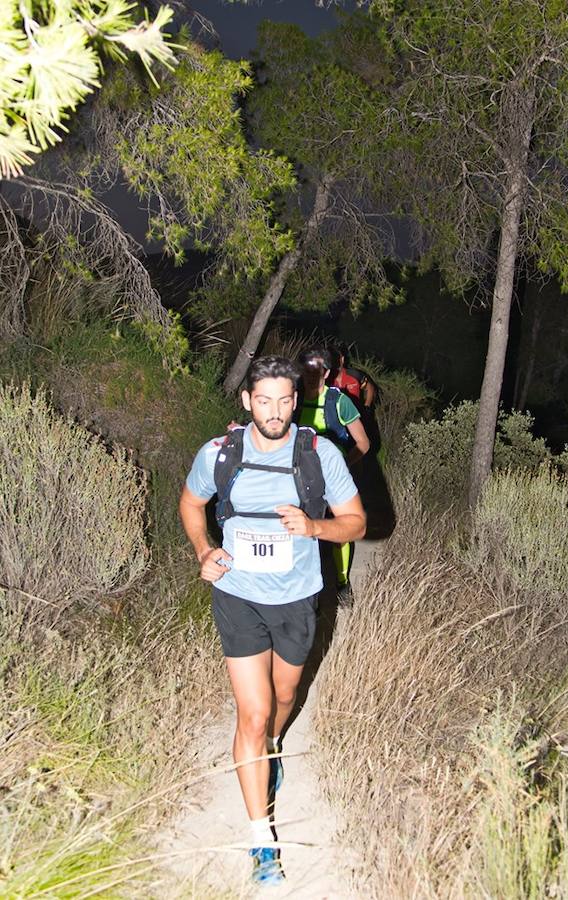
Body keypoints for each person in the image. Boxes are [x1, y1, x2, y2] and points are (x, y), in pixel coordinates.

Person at [179, 356, 366, 886]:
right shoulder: (220, 454)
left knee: (283, 700)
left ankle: (274, 745)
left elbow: (356, 524)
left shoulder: (318, 454)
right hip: (238, 595)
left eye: (285, 400)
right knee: (253, 715)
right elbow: (192, 504)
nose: (275, 411)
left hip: (296, 599)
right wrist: (203, 551)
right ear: (247, 402)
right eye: (264, 400)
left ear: (296, 401)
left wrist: (313, 526)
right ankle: (262, 842)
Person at [296, 346, 370, 595]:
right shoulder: (291, 399)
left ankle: (341, 583)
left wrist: (340, 468)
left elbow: (363, 443)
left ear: (327, 373)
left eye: (317, 369)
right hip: (298, 475)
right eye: (307, 368)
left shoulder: (339, 401)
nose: (311, 374)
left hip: (331, 477)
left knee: (341, 526)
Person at [328, 342, 376, 411]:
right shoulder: (325, 378)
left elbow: (370, 387)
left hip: (355, 416)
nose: (334, 361)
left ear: (342, 359)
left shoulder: (354, 375)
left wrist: (367, 407)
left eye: (337, 358)